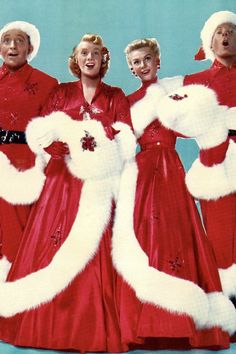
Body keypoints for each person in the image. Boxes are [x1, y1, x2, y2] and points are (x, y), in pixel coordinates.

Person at [0, 33, 137, 353]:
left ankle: (93, 327)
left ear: (104, 59)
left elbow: (127, 138)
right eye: (83, 53)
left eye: (96, 53)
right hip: (62, 183)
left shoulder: (115, 96)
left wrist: (106, 150)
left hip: (99, 183)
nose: (90, 58)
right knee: (51, 245)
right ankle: (47, 325)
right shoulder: (60, 93)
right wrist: (56, 144)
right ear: (75, 60)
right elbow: (42, 132)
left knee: (97, 251)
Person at [116, 37, 236, 350]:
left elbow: (196, 123)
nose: (142, 66)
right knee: (144, 235)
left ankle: (182, 322)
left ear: (158, 62)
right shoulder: (128, 102)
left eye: (146, 60)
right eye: (135, 63)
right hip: (142, 171)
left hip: (170, 167)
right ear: (131, 69)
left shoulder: (174, 95)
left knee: (176, 234)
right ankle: (144, 322)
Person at [183, 10, 236, 301]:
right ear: (209, 42)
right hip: (215, 164)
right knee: (218, 235)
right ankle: (225, 305)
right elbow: (175, 124)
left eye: (231, 31)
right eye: (220, 32)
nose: (226, 36)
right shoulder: (196, 81)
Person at [0, 21, 58, 271]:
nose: (12, 46)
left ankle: (18, 302)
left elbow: (54, 129)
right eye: (6, 40)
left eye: (19, 41)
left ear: (30, 48)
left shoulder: (47, 83)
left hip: (25, 166)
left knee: (19, 236)